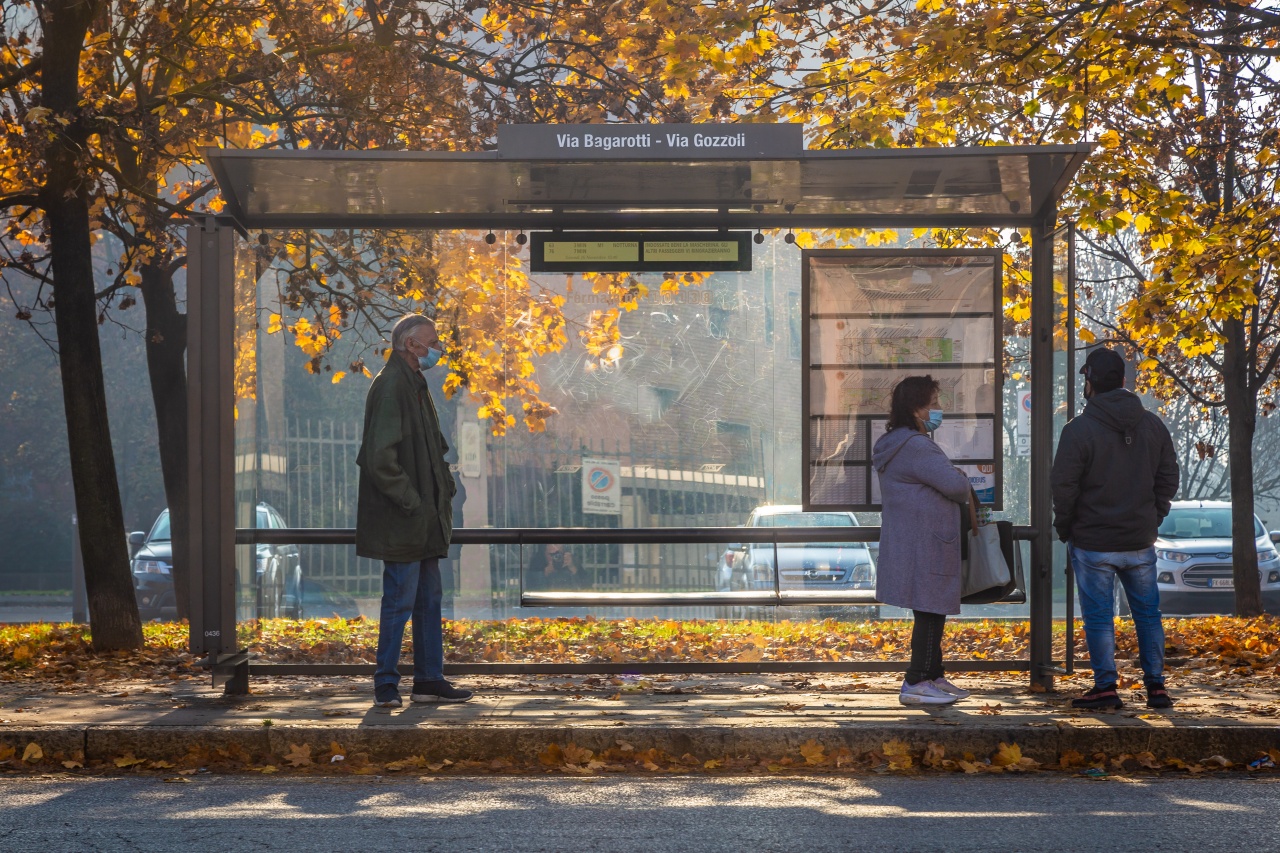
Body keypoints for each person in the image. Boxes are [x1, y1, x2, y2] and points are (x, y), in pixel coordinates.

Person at [1052, 347, 1179, 710]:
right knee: (1148, 614)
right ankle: (1157, 687)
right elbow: (1169, 476)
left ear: (1090, 381)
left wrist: (1067, 528)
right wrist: (1153, 516)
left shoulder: (1078, 430)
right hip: (1139, 539)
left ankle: (1106, 687)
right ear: (1123, 381)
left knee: (1099, 616)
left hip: (1093, 541)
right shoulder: (1152, 425)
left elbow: (1064, 487)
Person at [357, 313, 471, 707]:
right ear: (411, 345)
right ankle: (386, 684)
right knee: (400, 601)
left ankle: (427, 680)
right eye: (432, 341)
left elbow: (430, 451)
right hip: (406, 519)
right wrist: (413, 502)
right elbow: (379, 459)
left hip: (420, 518)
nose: (437, 348)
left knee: (427, 600)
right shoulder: (392, 386)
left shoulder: (413, 383)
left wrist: (440, 492)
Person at [871, 375, 974, 706]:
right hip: (927, 544)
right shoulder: (916, 445)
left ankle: (933, 675)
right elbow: (956, 487)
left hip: (916, 542)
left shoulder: (897, 443)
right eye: (934, 404)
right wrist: (958, 475)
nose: (939, 410)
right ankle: (916, 681)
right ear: (916, 409)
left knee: (931, 609)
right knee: (931, 610)